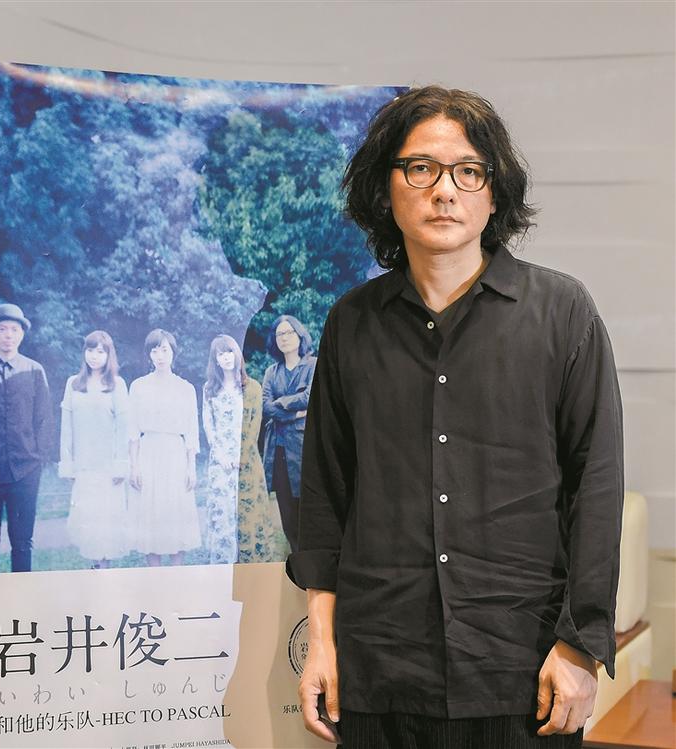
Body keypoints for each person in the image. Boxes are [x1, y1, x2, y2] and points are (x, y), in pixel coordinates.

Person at [287, 86, 624, 748]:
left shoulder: (562, 313)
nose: (445, 191)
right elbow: (325, 496)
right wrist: (321, 645)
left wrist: (581, 647)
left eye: (469, 171)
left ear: (494, 194)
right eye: (422, 168)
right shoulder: (351, 322)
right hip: (380, 670)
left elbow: (597, 487)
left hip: (523, 673)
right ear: (386, 188)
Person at [0, 303, 53, 573]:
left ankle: (21, 597)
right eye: (2, 329)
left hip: (25, 472)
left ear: (21, 334)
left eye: (14, 330)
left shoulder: (34, 371)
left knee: (22, 543)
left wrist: (38, 459)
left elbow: (44, 419)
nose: (8, 335)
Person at [129, 329, 201, 566]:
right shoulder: (138, 386)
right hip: (149, 453)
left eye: (164, 350)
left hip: (175, 454)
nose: (160, 356)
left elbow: (191, 431)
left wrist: (191, 468)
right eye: (154, 350)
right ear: (149, 355)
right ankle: (155, 576)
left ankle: (176, 574)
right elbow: (132, 431)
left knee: (175, 512)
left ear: (173, 353)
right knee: (151, 514)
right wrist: (134, 466)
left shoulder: (185, 388)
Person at [59, 330, 130, 568]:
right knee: (88, 525)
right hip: (84, 467)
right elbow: (66, 428)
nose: (94, 356)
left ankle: (105, 572)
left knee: (106, 526)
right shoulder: (73, 384)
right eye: (90, 350)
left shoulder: (117, 385)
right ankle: (95, 569)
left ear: (109, 355)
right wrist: (68, 465)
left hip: (108, 469)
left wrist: (121, 465)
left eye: (100, 351)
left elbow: (123, 429)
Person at [202, 334, 273, 564]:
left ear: (237, 354)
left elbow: (254, 423)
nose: (226, 357)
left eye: (230, 352)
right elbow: (209, 424)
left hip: (246, 460)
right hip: (220, 462)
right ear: (215, 359)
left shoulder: (252, 387)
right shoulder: (209, 389)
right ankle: (223, 564)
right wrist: (220, 455)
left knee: (247, 513)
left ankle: (249, 565)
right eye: (221, 354)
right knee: (222, 513)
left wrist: (240, 456)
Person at [262, 315, 316, 552]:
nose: (284, 338)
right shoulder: (271, 372)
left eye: (288, 332)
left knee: (310, 515)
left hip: (305, 451)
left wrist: (281, 403)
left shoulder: (313, 365)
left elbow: (309, 397)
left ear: (300, 335)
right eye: (279, 334)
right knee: (288, 518)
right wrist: (296, 414)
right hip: (279, 451)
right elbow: (266, 407)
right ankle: (296, 560)